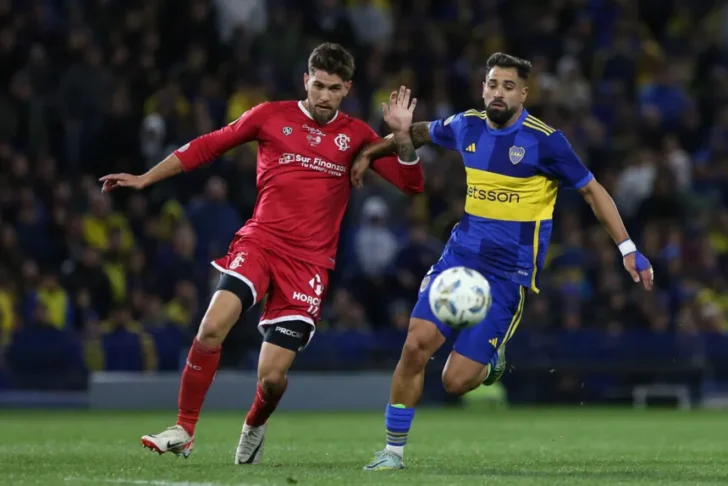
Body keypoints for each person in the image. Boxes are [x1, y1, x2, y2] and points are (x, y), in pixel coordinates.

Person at [99, 43, 424, 463]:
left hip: (308, 265)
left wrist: (402, 137)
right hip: (260, 243)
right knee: (211, 327)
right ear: (306, 80)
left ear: (347, 88)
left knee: (271, 378)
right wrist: (146, 178)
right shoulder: (270, 115)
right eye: (318, 85)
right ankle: (184, 428)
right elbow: (208, 145)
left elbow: (412, 185)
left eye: (334, 89)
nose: (324, 96)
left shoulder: (358, 135)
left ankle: (255, 422)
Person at [352, 52, 655, 471]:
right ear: (483, 88)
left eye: (508, 86)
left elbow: (592, 191)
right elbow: (418, 133)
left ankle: (491, 361)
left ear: (523, 94)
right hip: (458, 261)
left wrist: (627, 248)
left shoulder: (546, 141)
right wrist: (374, 150)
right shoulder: (466, 125)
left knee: (455, 382)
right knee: (415, 346)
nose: (498, 92)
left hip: (507, 276)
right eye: (493, 84)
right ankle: (392, 452)